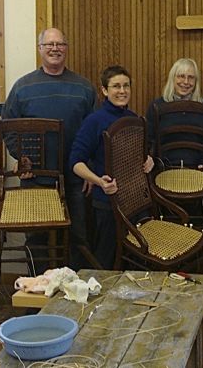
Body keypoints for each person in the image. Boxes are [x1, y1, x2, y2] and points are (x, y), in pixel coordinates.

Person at [3, 28, 97, 273]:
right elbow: (9, 128)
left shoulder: (84, 88)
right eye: (49, 44)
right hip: (35, 179)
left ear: (66, 48)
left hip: (76, 178)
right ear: (40, 49)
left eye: (60, 44)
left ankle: (76, 292)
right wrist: (20, 157)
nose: (55, 49)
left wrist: (91, 169)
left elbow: (95, 132)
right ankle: (37, 291)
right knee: (36, 240)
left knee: (79, 238)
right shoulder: (22, 88)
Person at [69, 65, 154, 269]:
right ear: (105, 91)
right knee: (107, 261)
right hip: (108, 203)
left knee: (136, 260)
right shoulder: (94, 121)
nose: (122, 91)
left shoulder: (135, 119)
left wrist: (148, 159)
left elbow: (138, 155)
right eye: (116, 86)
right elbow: (75, 162)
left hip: (136, 201)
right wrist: (98, 181)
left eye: (126, 86)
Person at [146, 58, 203, 168]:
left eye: (191, 77)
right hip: (165, 169)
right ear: (172, 78)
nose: (186, 82)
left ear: (196, 81)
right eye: (181, 76)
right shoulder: (157, 106)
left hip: (199, 169)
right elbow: (149, 140)